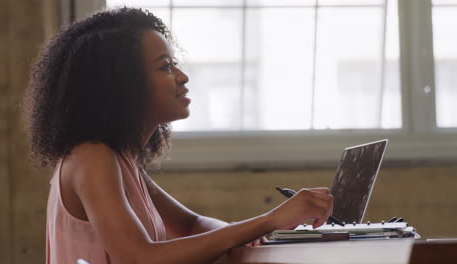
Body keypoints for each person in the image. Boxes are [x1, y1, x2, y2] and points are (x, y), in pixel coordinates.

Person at [24, 7, 334, 264]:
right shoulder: (92, 157)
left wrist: (248, 237)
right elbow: (139, 257)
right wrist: (268, 222)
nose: (183, 77)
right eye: (165, 67)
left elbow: (190, 224)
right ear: (121, 84)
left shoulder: (121, 160)